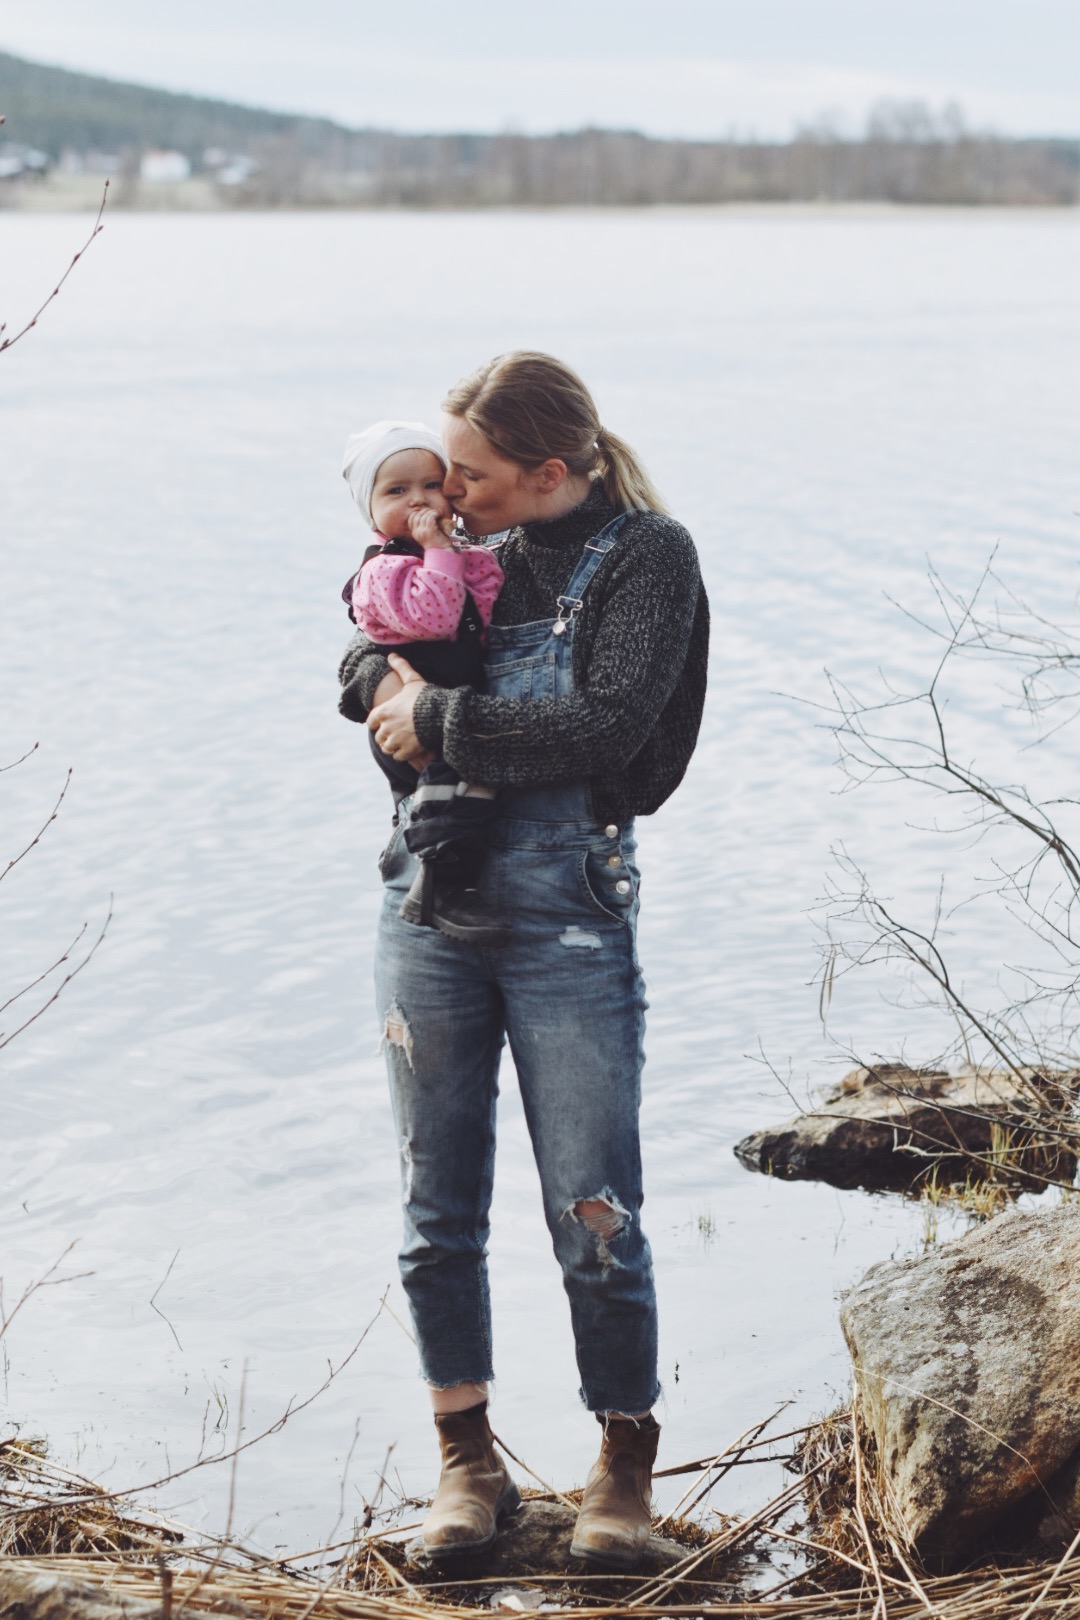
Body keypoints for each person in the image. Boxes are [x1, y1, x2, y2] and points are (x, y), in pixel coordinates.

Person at [338, 351, 709, 1570]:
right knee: (433, 1212)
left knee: (593, 1211)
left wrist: (435, 719)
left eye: (476, 474)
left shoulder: (647, 558)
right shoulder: (461, 554)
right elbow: (368, 649)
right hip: (428, 912)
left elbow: (611, 732)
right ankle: (468, 1465)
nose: (450, 490)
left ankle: (623, 1474)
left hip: (568, 919)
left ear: (548, 473)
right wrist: (375, 688)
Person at [340, 420, 508, 945]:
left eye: (431, 485)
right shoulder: (382, 570)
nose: (419, 500)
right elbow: (436, 616)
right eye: (397, 490)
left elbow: (486, 603)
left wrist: (464, 552)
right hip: (407, 720)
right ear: (371, 511)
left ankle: (449, 889)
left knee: (474, 796)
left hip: (447, 707)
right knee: (446, 807)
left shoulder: (449, 551)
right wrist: (440, 548)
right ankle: (441, 891)